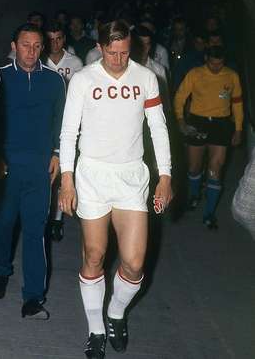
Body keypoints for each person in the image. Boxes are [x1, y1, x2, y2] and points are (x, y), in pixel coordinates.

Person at [59, 20, 172, 358]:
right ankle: (96, 328)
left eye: (125, 53)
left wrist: (164, 176)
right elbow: (69, 132)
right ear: (100, 46)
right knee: (94, 255)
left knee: (135, 263)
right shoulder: (83, 79)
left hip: (131, 178)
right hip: (92, 175)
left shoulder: (146, 77)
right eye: (112, 53)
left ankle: (116, 313)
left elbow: (158, 127)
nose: (119, 59)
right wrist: (67, 179)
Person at [0, 23, 66, 319]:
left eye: (36, 46)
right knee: (3, 224)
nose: (31, 52)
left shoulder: (55, 81)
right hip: (6, 164)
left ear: (42, 48)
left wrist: (58, 153)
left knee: (36, 231)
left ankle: (33, 296)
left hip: (40, 167)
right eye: (25, 45)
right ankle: (1, 270)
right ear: (13, 46)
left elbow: (62, 122)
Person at [174, 46, 243, 229]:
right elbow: (180, 97)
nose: (216, 67)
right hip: (198, 123)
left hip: (221, 125)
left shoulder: (231, 76)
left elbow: (237, 103)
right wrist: (180, 120)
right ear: (206, 59)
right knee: (194, 167)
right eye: (213, 63)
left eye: (220, 64)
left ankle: (209, 212)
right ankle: (195, 194)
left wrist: (238, 128)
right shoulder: (195, 74)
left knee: (216, 168)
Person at [44, 22, 83, 241]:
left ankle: (57, 218)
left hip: (68, 122)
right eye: (50, 39)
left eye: (58, 38)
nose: (54, 43)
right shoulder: (40, 60)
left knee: (63, 170)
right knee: (46, 170)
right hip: (45, 121)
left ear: (64, 40)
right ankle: (44, 214)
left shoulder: (75, 62)